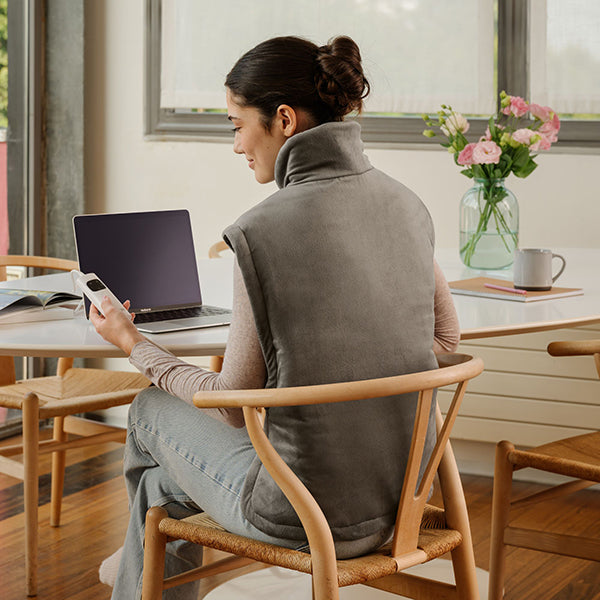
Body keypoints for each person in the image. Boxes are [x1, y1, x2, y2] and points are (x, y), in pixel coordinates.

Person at [92, 35, 460, 599]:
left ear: (283, 119)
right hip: (397, 498)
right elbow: (443, 339)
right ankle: (138, 572)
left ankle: (139, 574)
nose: (236, 144)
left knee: (148, 410)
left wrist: (132, 341)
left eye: (238, 125)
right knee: (161, 485)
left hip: (302, 515)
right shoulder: (407, 204)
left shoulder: (259, 232)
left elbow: (234, 405)